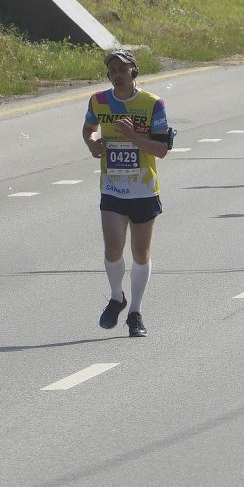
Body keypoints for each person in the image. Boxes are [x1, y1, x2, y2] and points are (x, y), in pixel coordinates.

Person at [82, 49, 173, 338]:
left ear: (134, 71)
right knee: (112, 248)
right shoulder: (99, 101)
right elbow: (89, 129)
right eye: (112, 71)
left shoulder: (152, 103)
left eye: (122, 70)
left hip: (144, 189)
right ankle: (116, 297)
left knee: (140, 253)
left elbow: (161, 150)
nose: (117, 75)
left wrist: (134, 137)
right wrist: (92, 144)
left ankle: (135, 312)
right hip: (112, 186)